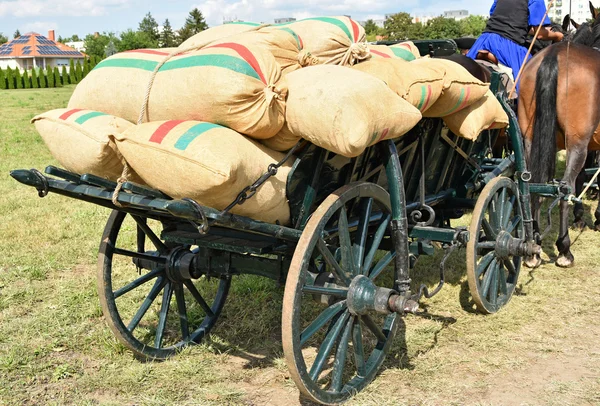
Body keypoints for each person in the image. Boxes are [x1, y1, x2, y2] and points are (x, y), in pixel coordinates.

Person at [466, 0, 564, 92]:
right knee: (533, 87)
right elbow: (540, 34)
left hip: (484, 41)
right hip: (508, 45)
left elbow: (494, 15)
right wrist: (558, 36)